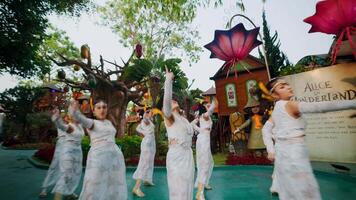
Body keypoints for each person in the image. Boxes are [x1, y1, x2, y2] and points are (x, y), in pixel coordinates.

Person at [262, 78, 356, 200]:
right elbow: (319, 106)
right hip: (293, 154)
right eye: (282, 87)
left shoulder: (277, 109)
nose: (288, 87)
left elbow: (266, 129)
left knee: (292, 188)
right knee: (302, 188)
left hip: (284, 153)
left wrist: (271, 150)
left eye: (287, 84)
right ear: (274, 95)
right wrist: (352, 103)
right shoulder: (289, 105)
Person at [69, 99, 128, 200]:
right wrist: (75, 111)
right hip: (98, 159)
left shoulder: (109, 123)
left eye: (104, 107)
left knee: (113, 184)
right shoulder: (91, 123)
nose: (102, 110)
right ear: (94, 111)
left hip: (115, 159)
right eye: (99, 107)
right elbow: (81, 118)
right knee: (94, 185)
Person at [163, 66, 195, 200]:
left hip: (188, 156)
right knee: (178, 188)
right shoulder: (169, 117)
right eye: (172, 100)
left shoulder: (184, 119)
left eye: (175, 100)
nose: (173, 100)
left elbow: (189, 132)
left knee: (187, 187)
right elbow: (166, 100)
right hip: (176, 156)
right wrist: (168, 81)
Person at [39, 109, 84, 200]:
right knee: (54, 167)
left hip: (71, 147)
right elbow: (59, 124)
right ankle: (45, 188)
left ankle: (69, 192)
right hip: (62, 146)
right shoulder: (63, 125)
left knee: (71, 171)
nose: (66, 118)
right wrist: (56, 117)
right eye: (65, 117)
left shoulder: (77, 126)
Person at [191, 100, 216, 200]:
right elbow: (192, 125)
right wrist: (214, 102)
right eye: (207, 105)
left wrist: (201, 130)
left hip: (205, 139)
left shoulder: (205, 116)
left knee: (210, 162)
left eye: (209, 104)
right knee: (205, 163)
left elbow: (193, 125)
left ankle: (205, 182)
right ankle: (199, 193)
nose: (209, 106)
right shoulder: (205, 115)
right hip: (203, 140)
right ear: (204, 107)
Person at [132, 109, 156, 197]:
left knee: (150, 162)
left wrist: (143, 132)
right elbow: (139, 127)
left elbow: (138, 128)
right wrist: (145, 133)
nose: (152, 114)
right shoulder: (145, 120)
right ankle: (136, 187)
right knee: (145, 164)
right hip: (147, 144)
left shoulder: (149, 120)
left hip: (151, 143)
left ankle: (147, 179)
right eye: (150, 112)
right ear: (146, 114)